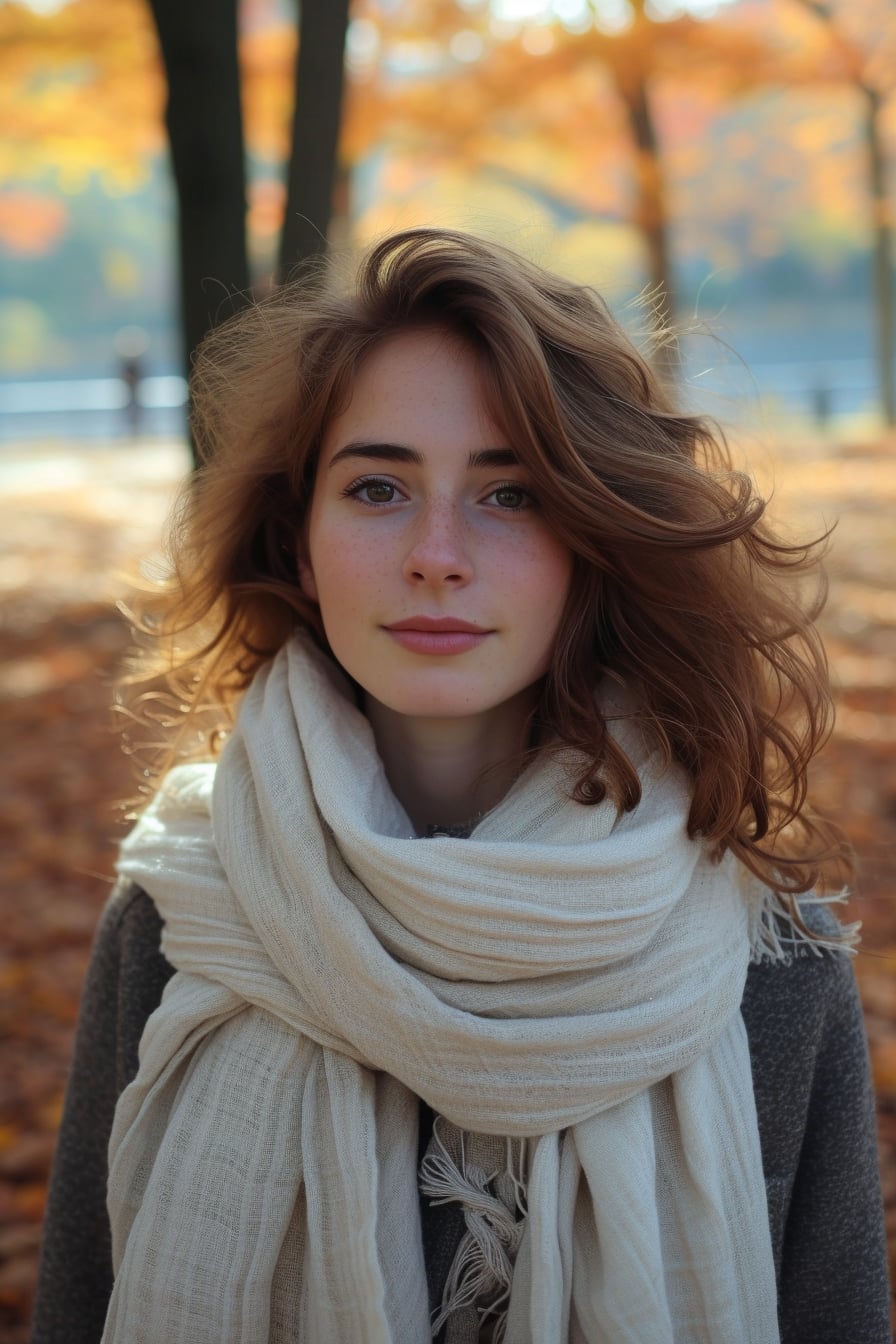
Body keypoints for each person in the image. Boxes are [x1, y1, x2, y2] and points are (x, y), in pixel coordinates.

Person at [32, 229, 889, 1344]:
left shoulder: (764, 960)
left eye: (511, 495)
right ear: (298, 542)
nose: (436, 554)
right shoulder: (181, 912)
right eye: (378, 487)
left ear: (591, 539)